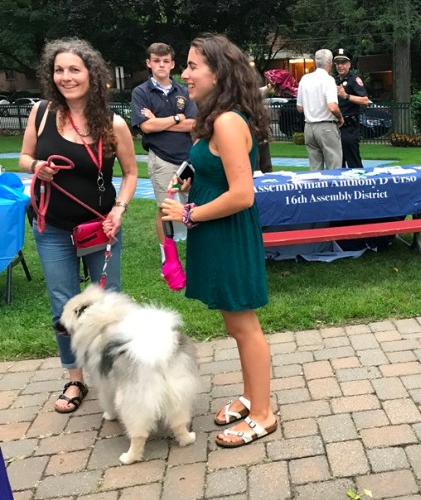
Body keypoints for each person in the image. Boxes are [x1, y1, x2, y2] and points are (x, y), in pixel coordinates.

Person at [161, 34, 277, 447]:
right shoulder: (215, 117)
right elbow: (213, 169)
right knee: (233, 322)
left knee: (245, 326)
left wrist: (188, 212)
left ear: (218, 72)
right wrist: (189, 176)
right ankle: (251, 396)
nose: (184, 73)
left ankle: (263, 414)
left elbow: (243, 194)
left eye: (193, 66)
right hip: (213, 233)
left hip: (228, 233)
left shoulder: (228, 121)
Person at [18, 38, 138, 413]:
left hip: (100, 228)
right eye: (59, 70)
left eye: (74, 69)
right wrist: (37, 167)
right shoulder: (40, 112)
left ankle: (116, 377)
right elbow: (24, 156)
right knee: (62, 305)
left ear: (91, 74)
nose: (66, 77)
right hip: (52, 227)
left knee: (108, 306)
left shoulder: (112, 123)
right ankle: (76, 379)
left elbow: (132, 173)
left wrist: (119, 209)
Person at [131, 43, 197, 261]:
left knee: (194, 204)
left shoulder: (184, 91)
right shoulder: (141, 92)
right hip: (161, 159)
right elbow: (146, 127)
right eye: (156, 61)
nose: (161, 65)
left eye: (165, 61)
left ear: (172, 64)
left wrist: (159, 121)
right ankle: (167, 256)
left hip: (187, 159)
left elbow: (193, 124)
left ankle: (198, 251)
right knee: (165, 209)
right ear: (148, 63)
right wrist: (178, 118)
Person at [297, 49, 344, 170]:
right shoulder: (328, 80)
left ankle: (316, 189)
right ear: (331, 63)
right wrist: (340, 117)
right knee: (334, 165)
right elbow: (332, 106)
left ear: (315, 61)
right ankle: (333, 189)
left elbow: (300, 108)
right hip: (326, 126)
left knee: (315, 167)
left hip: (309, 127)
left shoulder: (304, 79)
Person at [333, 48, 369, 168]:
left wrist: (346, 96)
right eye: (337, 63)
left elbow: (365, 100)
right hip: (336, 127)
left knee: (354, 163)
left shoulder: (354, 80)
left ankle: (360, 185)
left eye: (343, 63)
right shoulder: (335, 80)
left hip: (349, 127)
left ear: (349, 64)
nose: (340, 66)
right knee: (338, 163)